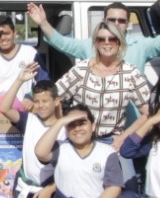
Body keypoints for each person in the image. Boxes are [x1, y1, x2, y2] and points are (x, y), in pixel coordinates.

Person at [29, 0, 160, 72]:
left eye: (121, 20)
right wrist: (43, 23)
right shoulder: (91, 45)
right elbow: (63, 43)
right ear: (104, 20)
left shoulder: (140, 45)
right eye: (112, 19)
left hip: (132, 120)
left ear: (128, 23)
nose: (116, 23)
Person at [53, 20, 151, 148]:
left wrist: (124, 137)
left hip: (111, 142)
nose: (107, 42)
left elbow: (148, 113)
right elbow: (54, 97)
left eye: (112, 39)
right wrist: (64, 125)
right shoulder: (81, 69)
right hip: (79, 141)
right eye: (101, 39)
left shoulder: (131, 73)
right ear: (95, 43)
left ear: (119, 42)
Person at [0, 65, 64, 198]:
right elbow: (4, 108)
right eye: (37, 101)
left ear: (56, 101)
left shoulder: (66, 129)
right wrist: (19, 80)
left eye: (45, 101)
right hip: (24, 188)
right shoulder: (28, 120)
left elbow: (72, 171)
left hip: (51, 193)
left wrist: (50, 189)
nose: (41, 105)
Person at [0, 14, 47, 111]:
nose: (2, 38)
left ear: (15, 33)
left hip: (21, 112)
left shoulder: (30, 53)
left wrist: (30, 97)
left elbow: (44, 81)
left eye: (6, 33)